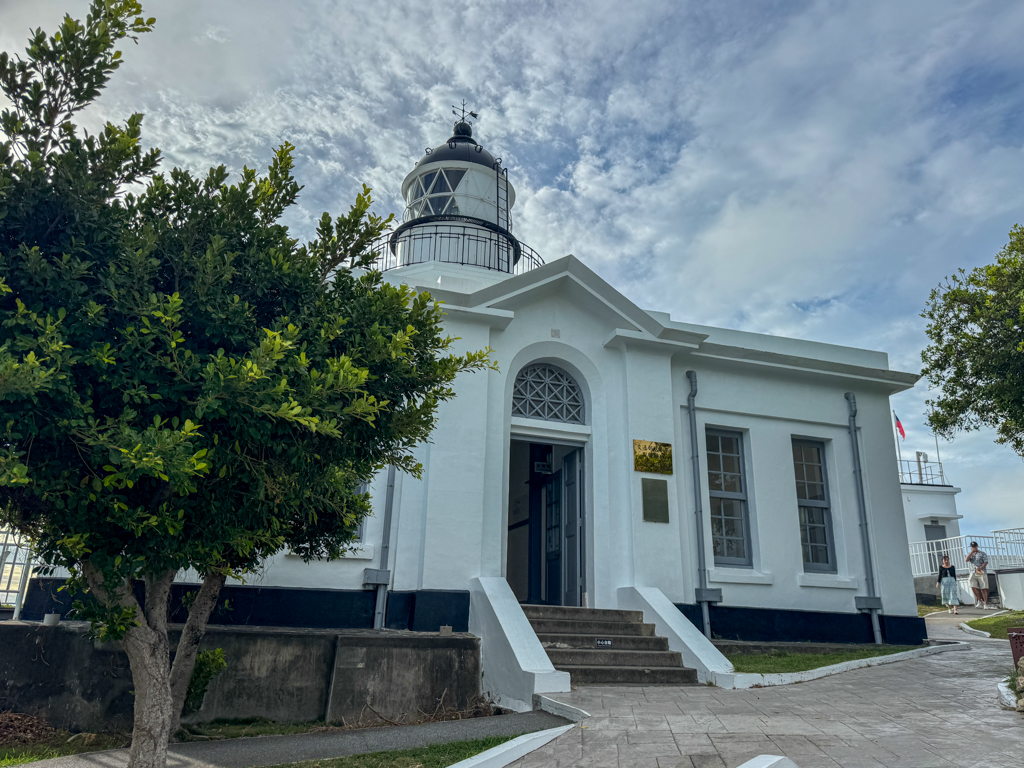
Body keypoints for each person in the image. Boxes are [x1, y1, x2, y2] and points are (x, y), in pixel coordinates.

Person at [965, 541, 990, 609]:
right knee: (972, 586)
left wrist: (981, 567)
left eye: (975, 546)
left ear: (977, 546)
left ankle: (985, 603)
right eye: (972, 547)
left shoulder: (982, 553)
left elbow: (986, 562)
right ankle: (980, 600)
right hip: (973, 572)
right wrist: (971, 552)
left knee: (983, 588)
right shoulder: (970, 554)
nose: (974, 548)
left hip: (981, 572)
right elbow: (966, 560)